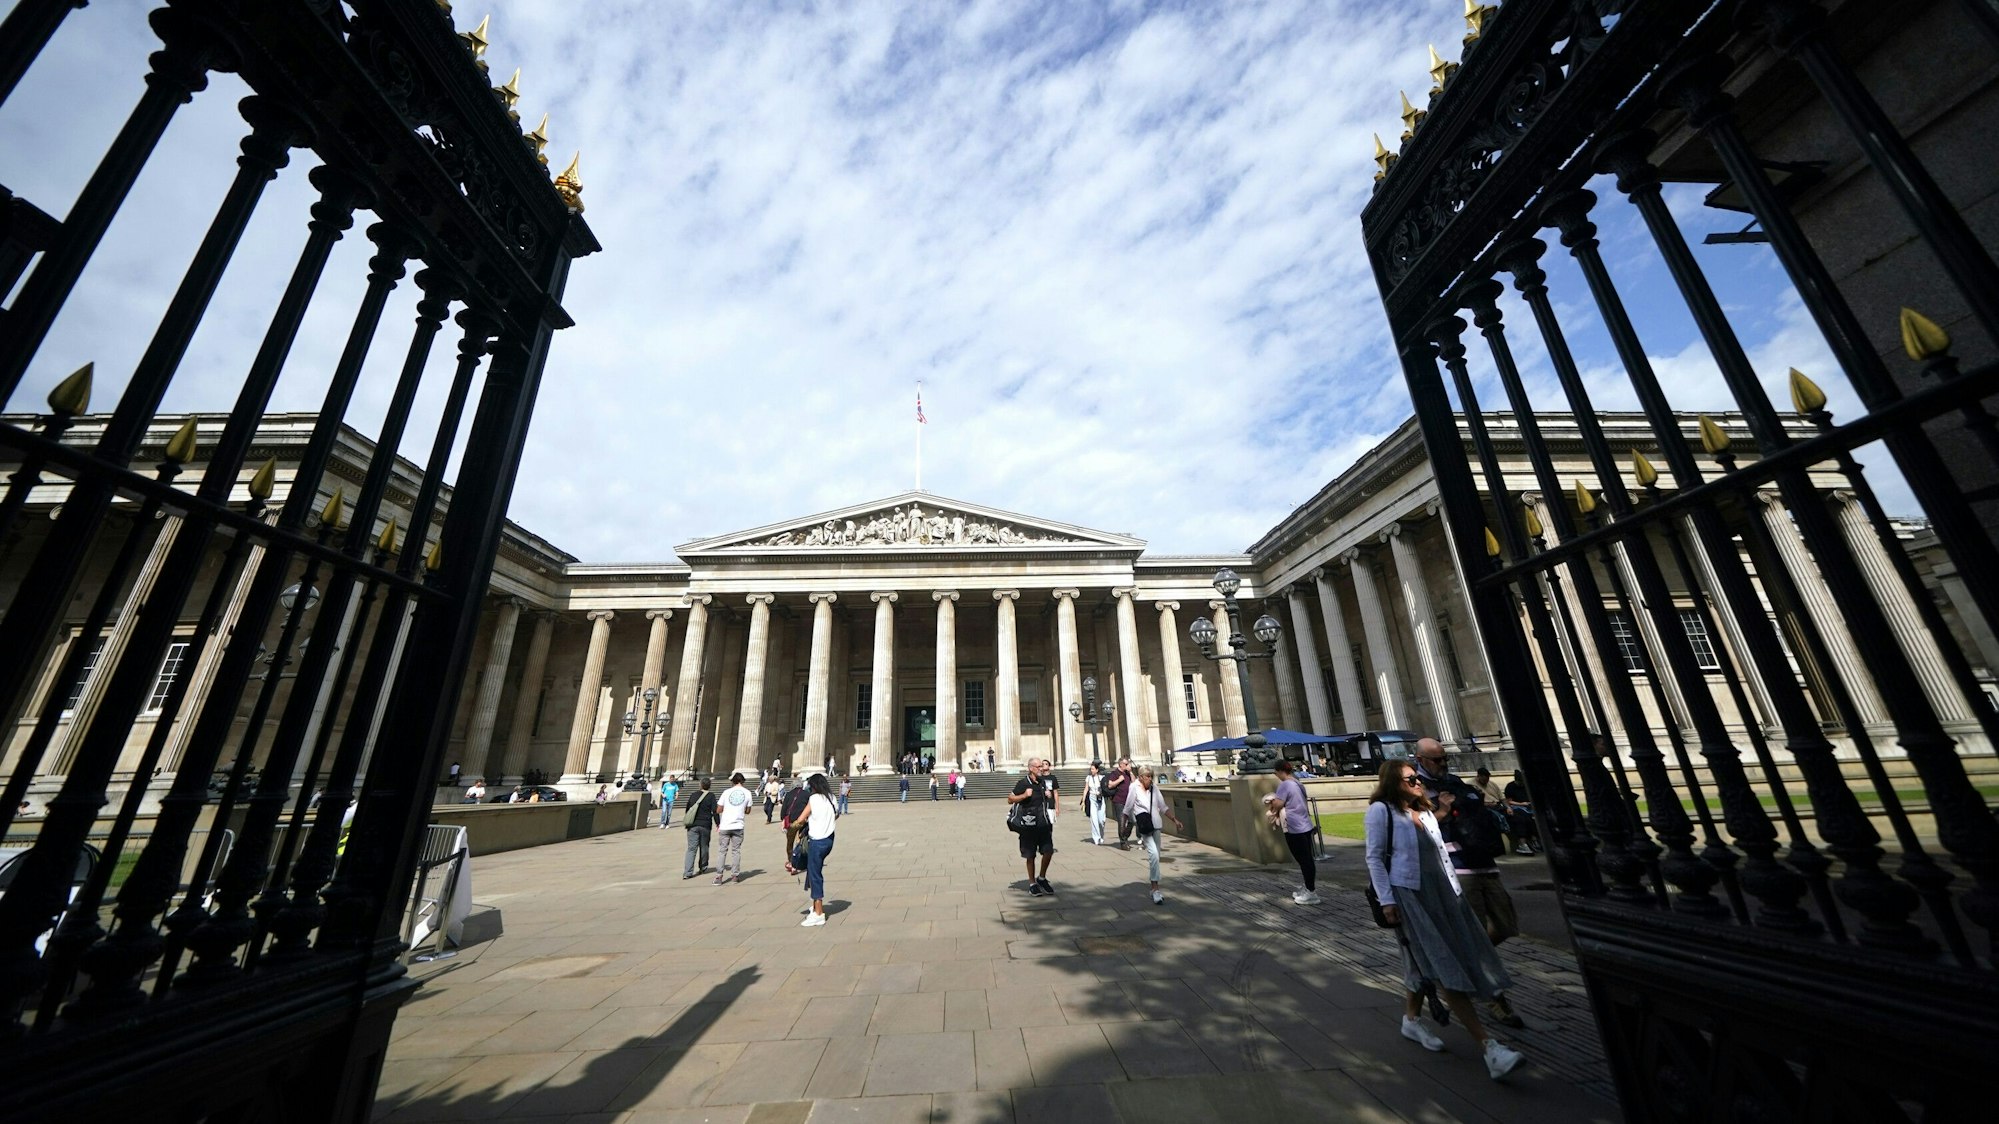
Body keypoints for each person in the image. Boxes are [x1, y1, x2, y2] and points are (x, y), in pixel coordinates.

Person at [1364, 760, 1525, 1080]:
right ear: (1393, 783)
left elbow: (1437, 854)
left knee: (1423, 961)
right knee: (1442, 964)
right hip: (1409, 895)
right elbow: (1374, 856)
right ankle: (1489, 1046)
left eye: (1417, 778)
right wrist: (1387, 901)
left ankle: (1411, 1020)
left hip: (1443, 893)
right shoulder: (1381, 812)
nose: (1418, 783)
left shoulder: (1424, 812)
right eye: (1410, 779)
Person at [1414, 739, 1523, 1028]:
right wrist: (1442, 811)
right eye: (1437, 760)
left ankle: (1464, 956)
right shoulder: (1416, 788)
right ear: (1421, 759)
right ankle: (1493, 997)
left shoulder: (1454, 781)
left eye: (1444, 759)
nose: (1443, 764)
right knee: (1474, 931)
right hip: (1457, 867)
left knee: (1505, 924)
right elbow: (1415, 829)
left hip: (1483, 857)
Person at [1264, 759, 1320, 904]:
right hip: (1305, 824)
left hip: (1294, 826)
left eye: (1275, 772)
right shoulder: (1297, 782)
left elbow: (1278, 804)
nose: (1275, 775)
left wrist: (1271, 801)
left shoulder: (1285, 785)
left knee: (1304, 860)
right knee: (1307, 859)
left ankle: (1311, 891)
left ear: (1279, 771)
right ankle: (1308, 887)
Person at [1126, 765, 1184, 904]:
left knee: (1156, 858)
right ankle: (1156, 889)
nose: (1150, 779)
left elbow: (1163, 807)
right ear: (1141, 777)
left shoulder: (1155, 788)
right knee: (1153, 854)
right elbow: (1128, 807)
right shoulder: (1134, 788)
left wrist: (1175, 820)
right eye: (1148, 776)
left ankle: (1153, 886)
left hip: (1156, 825)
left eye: (1151, 776)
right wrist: (1124, 826)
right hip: (1145, 827)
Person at [1009, 757, 1058, 895]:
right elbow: (1010, 798)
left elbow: (1050, 796)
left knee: (1048, 851)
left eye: (1042, 766)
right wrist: (1024, 795)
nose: (1041, 769)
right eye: (1038, 767)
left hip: (1043, 823)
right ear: (1031, 768)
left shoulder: (1043, 783)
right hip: (1028, 824)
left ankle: (1041, 878)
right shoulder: (1023, 783)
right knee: (1030, 855)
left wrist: (1049, 796)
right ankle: (1032, 883)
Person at [801, 773, 838, 927]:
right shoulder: (832, 797)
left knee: (815, 875)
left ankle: (818, 913)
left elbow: (801, 818)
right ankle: (815, 906)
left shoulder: (814, 799)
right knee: (813, 871)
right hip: (829, 840)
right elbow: (836, 814)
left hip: (816, 841)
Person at [715, 772, 752, 884]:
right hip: (738, 825)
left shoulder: (726, 792)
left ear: (733, 781)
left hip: (725, 825)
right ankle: (735, 876)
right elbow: (748, 811)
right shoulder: (747, 793)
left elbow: (719, 810)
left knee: (722, 851)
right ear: (743, 781)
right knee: (736, 851)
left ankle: (719, 877)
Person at [681, 778, 716, 879]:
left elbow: (688, 809)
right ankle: (703, 866)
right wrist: (718, 823)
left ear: (700, 785)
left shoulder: (693, 795)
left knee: (691, 849)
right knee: (704, 846)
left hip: (693, 825)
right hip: (705, 825)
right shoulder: (711, 796)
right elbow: (715, 811)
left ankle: (687, 872)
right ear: (709, 785)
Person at [780, 776, 812, 874]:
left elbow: (784, 810)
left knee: (790, 843)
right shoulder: (807, 794)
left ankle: (791, 861)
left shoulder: (788, 795)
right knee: (800, 842)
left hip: (791, 822)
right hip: (803, 821)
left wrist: (783, 819)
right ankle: (798, 863)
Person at [1502, 770, 1537, 855]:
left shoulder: (1526, 786)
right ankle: (1523, 844)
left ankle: (1535, 841)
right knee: (1522, 819)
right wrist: (1522, 804)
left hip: (1528, 806)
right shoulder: (1510, 787)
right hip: (1517, 806)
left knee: (1534, 819)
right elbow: (1509, 801)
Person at [1105, 759, 1134, 849]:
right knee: (1122, 822)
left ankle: (1124, 837)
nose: (1128, 765)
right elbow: (1110, 785)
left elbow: (1134, 783)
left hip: (1128, 801)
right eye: (1126, 764)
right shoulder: (1114, 773)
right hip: (1119, 801)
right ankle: (1123, 842)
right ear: (1121, 764)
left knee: (1132, 821)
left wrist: (1131, 772)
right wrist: (1119, 780)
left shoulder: (1128, 773)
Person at [1084, 762, 1106, 845]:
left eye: (1093, 769)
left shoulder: (1102, 778)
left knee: (1101, 820)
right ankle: (1096, 837)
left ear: (1097, 770)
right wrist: (1083, 800)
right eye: (1091, 769)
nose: (1091, 770)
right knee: (1093, 819)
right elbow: (1086, 789)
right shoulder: (1088, 778)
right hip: (1092, 798)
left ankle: (1101, 835)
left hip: (1100, 799)